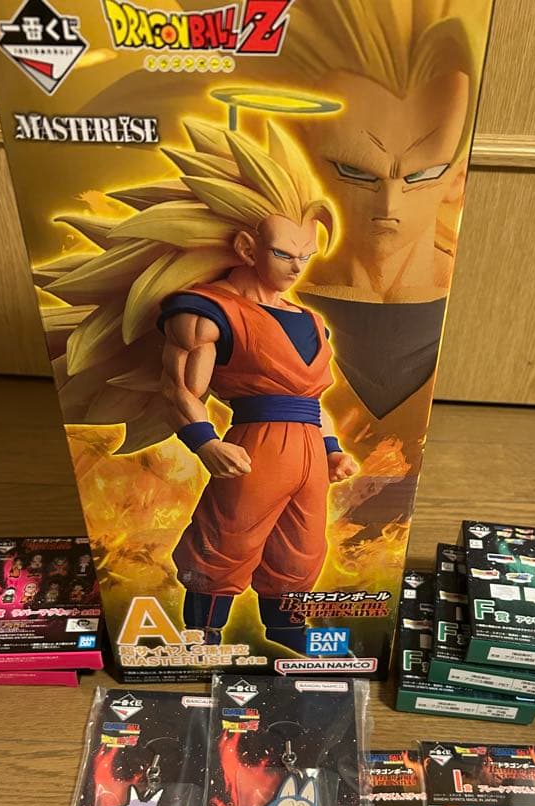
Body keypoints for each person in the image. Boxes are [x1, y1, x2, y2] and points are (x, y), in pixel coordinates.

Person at [47, 122, 356, 649]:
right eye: (284, 254)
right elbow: (180, 391)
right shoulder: (207, 311)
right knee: (226, 540)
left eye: (305, 255)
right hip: (257, 443)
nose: (296, 267)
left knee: (302, 548)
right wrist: (205, 442)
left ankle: (287, 629)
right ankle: (202, 635)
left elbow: (313, 401)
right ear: (246, 247)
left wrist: (332, 448)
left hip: (308, 447)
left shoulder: (311, 320)